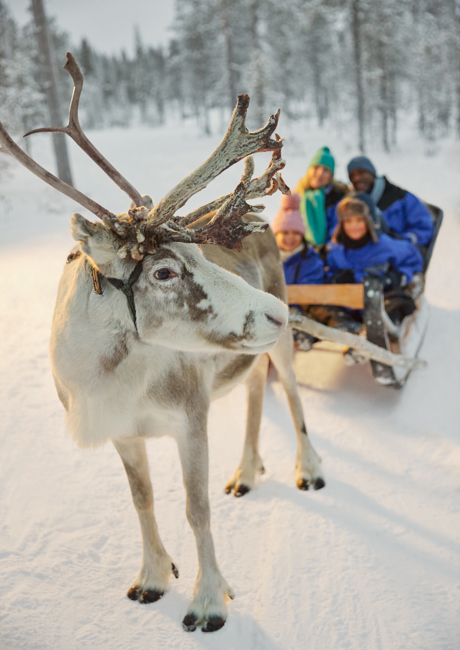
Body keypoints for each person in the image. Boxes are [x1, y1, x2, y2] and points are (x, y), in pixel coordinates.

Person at [327, 195, 424, 335]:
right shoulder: (336, 252)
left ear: (367, 222)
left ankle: (376, 337)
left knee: (396, 303)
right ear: (342, 225)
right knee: (327, 308)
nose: (354, 226)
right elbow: (328, 273)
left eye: (359, 220)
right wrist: (336, 279)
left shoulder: (384, 245)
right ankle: (348, 333)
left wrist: (396, 277)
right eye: (348, 221)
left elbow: (412, 258)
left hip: (383, 300)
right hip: (352, 305)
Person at [272, 193, 325, 350]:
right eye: (285, 233)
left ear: (302, 236)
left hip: (301, 309)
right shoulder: (266, 258)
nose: (290, 238)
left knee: (299, 316)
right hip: (273, 309)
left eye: (295, 233)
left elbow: (312, 285)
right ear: (276, 235)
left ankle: (302, 338)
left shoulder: (310, 258)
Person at [347, 156, 434, 247]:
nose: (356, 178)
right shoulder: (350, 203)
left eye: (361, 173)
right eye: (352, 176)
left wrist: (401, 242)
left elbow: (424, 228)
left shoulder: (401, 198)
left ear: (372, 174)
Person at [294, 146, 348, 246]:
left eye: (326, 171)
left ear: (331, 177)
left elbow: (338, 230)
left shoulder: (339, 198)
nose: (320, 174)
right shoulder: (295, 197)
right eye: (316, 168)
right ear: (309, 170)